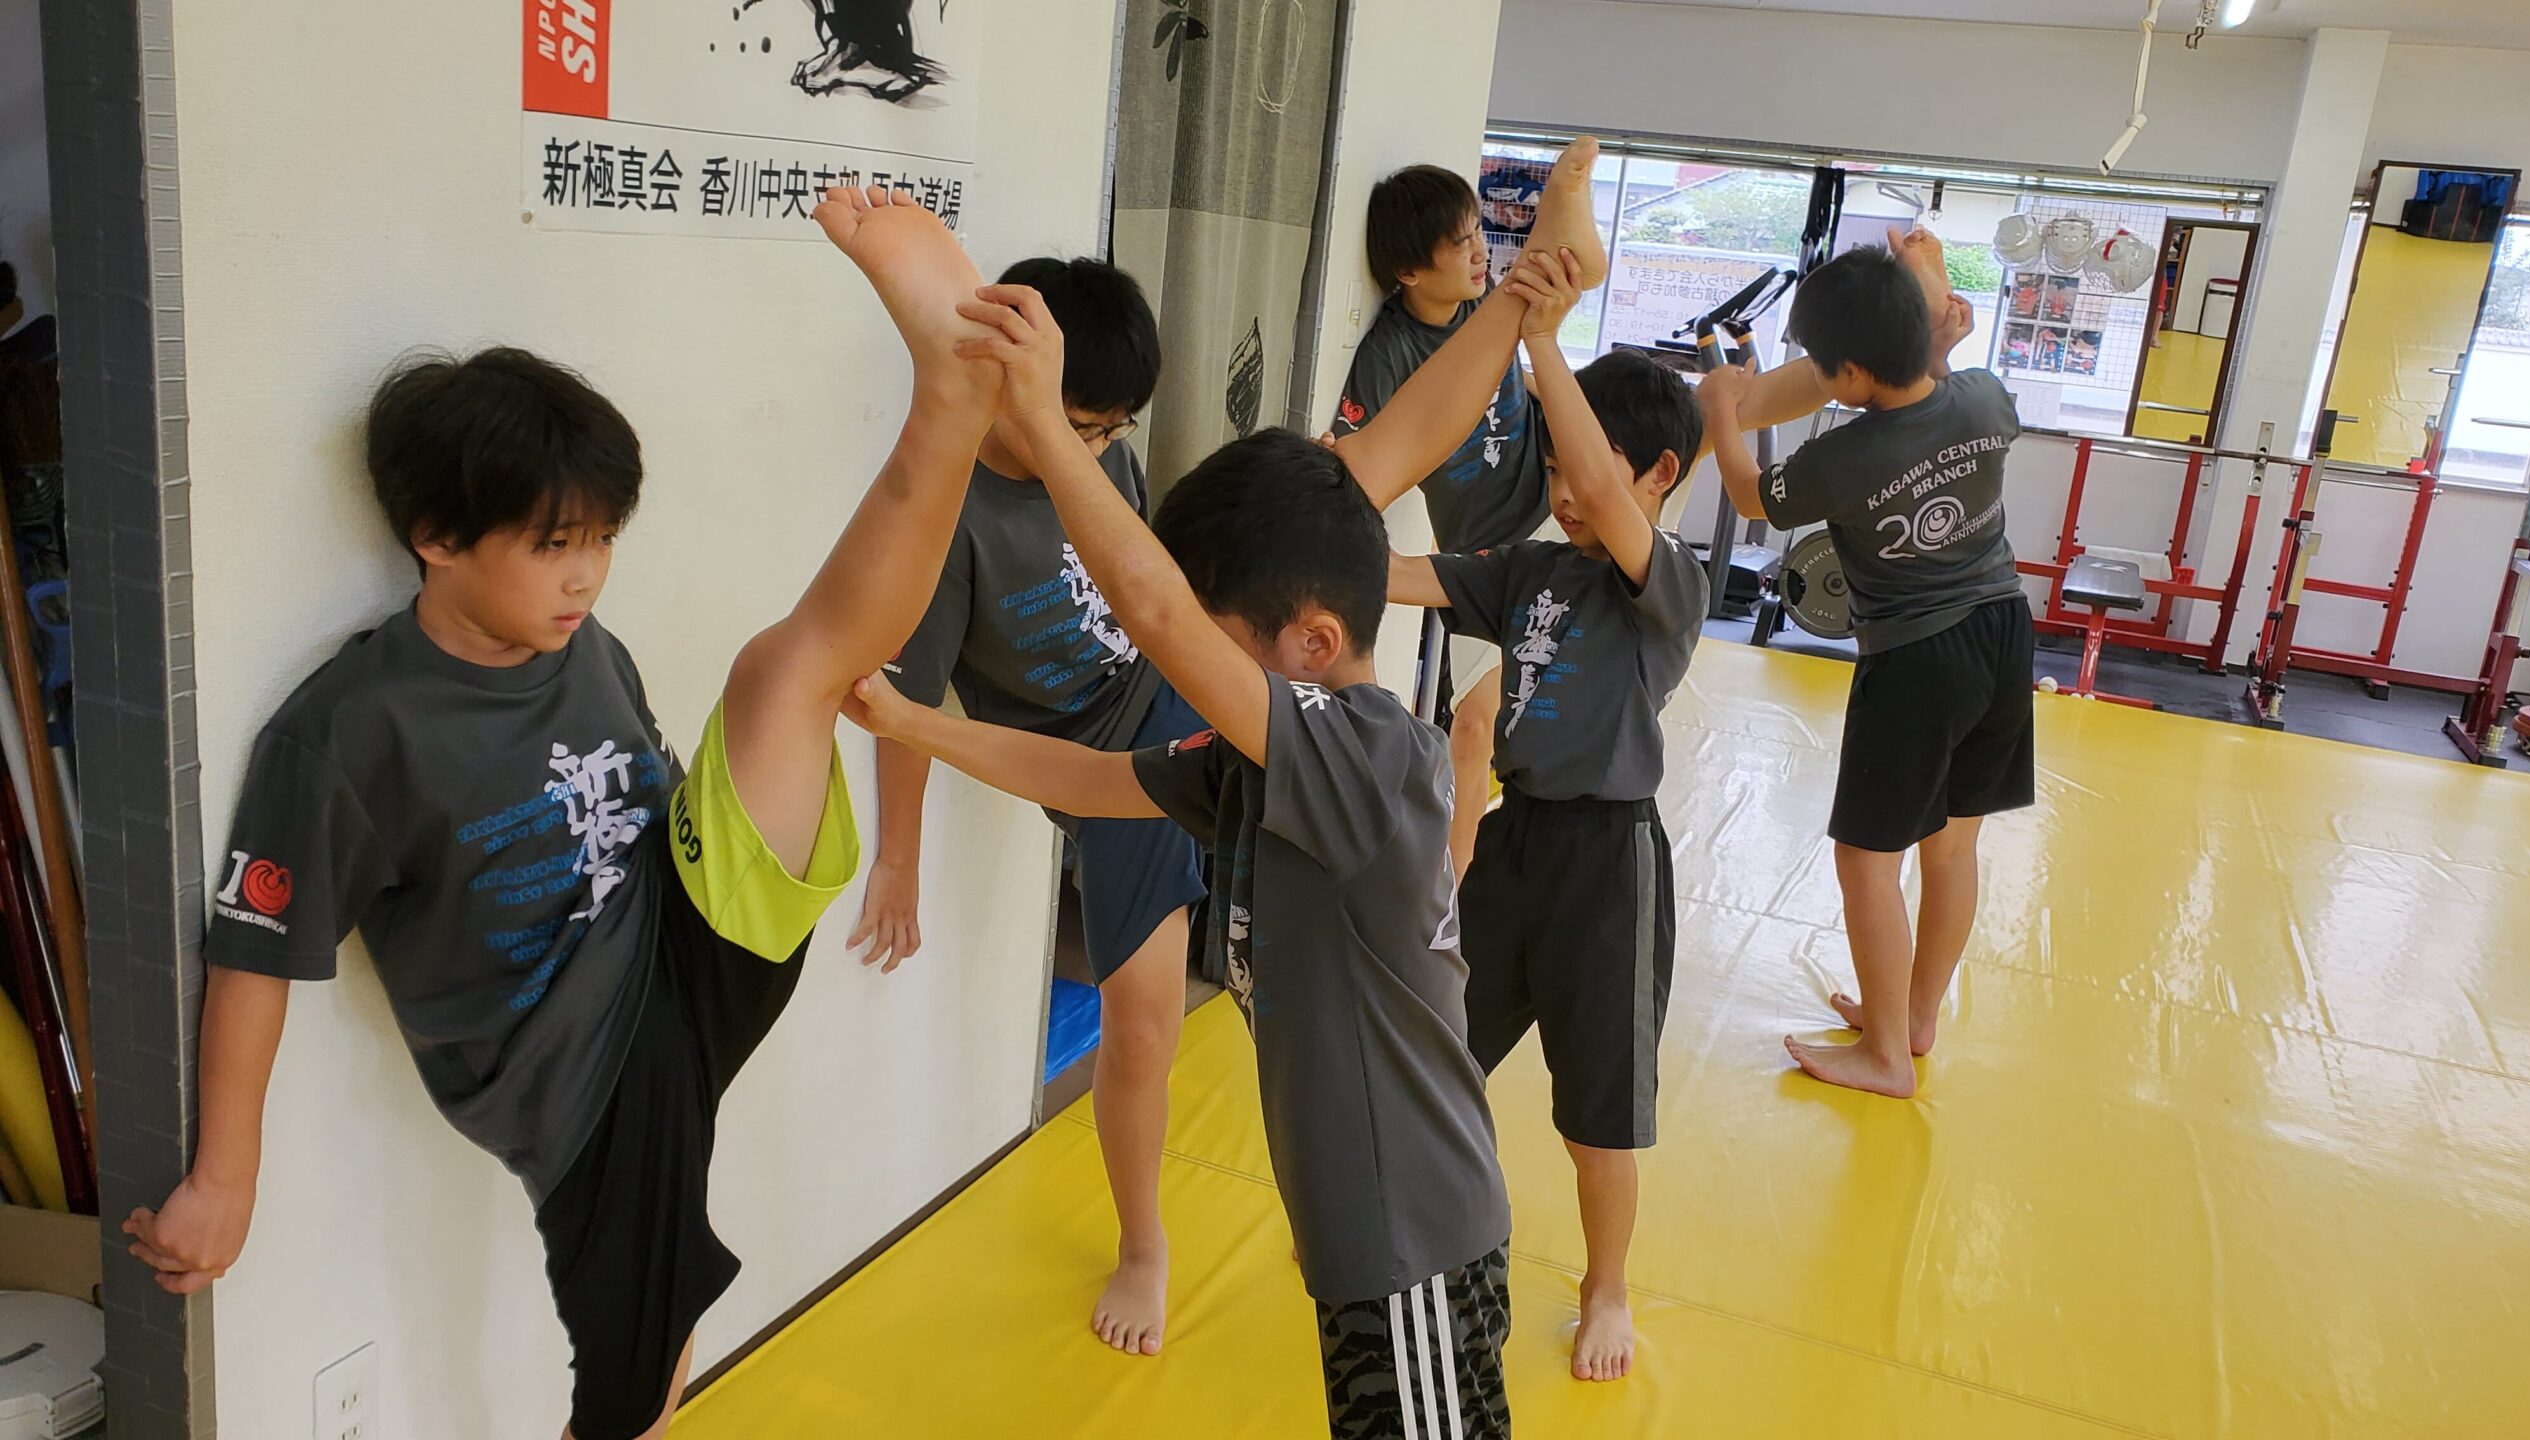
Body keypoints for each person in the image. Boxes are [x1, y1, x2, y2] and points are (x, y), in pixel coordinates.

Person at [121, 186, 1004, 1440]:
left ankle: (950, 407)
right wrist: (226, 1177)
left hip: (678, 941)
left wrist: (768, 783)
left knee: (787, 672)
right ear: (436, 537)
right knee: (643, 1336)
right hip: (572, 1071)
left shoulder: (587, 647)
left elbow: (655, 791)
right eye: (551, 546)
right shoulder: (348, 731)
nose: (586, 574)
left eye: (601, 539)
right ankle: (952, 408)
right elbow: (256, 956)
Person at [840, 141, 1613, 1438]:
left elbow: (1154, 606)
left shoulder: (1358, 757)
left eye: (1215, 634)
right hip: (1367, 1239)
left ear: (1305, 645)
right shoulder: (1256, 764)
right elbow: (1085, 776)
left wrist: (1043, 426)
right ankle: (1535, 290)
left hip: (1411, 1242)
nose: (1181, 647)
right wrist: (913, 720)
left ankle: (1534, 291)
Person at [855, 255, 1201, 1357]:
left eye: (1109, 433)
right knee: (1141, 1021)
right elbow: (906, 702)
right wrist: (898, 860)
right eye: (1081, 426)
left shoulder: (1104, 458)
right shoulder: (950, 507)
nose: (1094, 450)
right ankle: (1143, 1245)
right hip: (1108, 769)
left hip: (1187, 695)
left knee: (1298, 945)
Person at [1385, 250, 1705, 1383]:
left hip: (1609, 864)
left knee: (1593, 1117)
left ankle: (1605, 1283)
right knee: (1441, 1055)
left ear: (1657, 475)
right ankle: (1412, 1230)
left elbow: (1610, 508)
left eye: (1586, 469)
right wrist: (1309, 519)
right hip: (1515, 846)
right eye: (1554, 469)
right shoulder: (1533, 570)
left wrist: (1539, 339)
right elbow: (1408, 579)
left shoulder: (1664, 584)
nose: (1567, 492)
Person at [1696, 236, 2029, 1101]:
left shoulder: (1843, 460)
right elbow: (1940, 393)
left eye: (1817, 362)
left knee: (1865, 860)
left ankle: (1885, 1057)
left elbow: (1749, 496)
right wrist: (1941, 344)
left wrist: (1723, 409)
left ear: (1847, 375)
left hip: (1919, 658)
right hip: (2003, 631)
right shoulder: (1986, 397)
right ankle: (1914, 1018)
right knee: (1952, 847)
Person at [1331, 161, 1592, 880]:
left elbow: (1578, 273)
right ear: (1410, 271)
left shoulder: (1491, 309)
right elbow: (1357, 471)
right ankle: (1453, 892)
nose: (1480, 252)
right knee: (1473, 729)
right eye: (1460, 242)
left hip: (1554, 519)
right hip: (1477, 561)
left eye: (1480, 233)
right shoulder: (1389, 353)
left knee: (1555, 704)